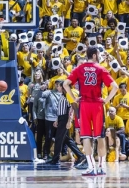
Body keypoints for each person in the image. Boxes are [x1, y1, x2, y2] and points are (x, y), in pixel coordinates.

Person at [64, 46, 119, 176]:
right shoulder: (101, 69)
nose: (99, 56)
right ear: (94, 55)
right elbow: (115, 87)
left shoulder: (79, 68)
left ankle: (90, 167)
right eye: (98, 54)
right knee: (100, 136)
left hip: (84, 104)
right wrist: (106, 100)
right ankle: (101, 167)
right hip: (97, 105)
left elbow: (66, 84)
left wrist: (73, 98)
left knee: (86, 137)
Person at [49, 80, 84, 166]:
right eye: (57, 86)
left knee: (58, 139)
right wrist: (57, 119)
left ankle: (55, 159)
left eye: (59, 86)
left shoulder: (68, 95)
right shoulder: (62, 96)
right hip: (61, 117)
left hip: (65, 118)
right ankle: (81, 156)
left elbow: (71, 109)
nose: (57, 87)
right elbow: (60, 109)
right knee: (67, 139)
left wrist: (69, 121)